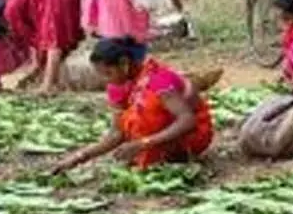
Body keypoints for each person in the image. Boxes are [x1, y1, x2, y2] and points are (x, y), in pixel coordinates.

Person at [51, 37, 213, 172]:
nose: (108, 80)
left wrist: (143, 143)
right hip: (156, 141)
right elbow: (117, 134)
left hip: (189, 140)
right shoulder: (121, 87)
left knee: (146, 111)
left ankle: (165, 155)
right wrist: (79, 157)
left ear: (124, 63)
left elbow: (187, 120)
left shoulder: (157, 80)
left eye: (109, 73)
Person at [5, 0, 86, 94]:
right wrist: (33, 73)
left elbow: (42, 44)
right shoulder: (20, 8)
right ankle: (54, 82)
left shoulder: (11, 14)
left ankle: (47, 86)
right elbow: (37, 46)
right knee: (58, 41)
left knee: (54, 42)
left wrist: (34, 69)